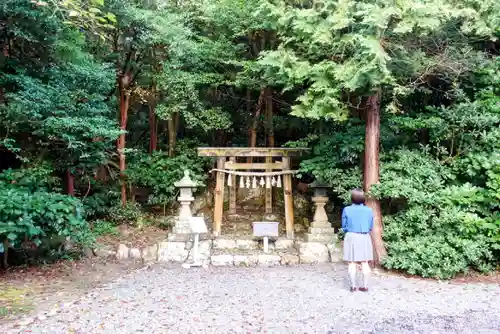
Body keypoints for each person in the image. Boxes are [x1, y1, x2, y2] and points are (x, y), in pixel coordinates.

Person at [341, 189, 374, 292]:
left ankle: (353, 286)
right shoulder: (369, 210)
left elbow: (344, 225)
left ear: (352, 198)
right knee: (365, 262)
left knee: (351, 262)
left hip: (351, 236)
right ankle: (365, 286)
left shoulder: (347, 209)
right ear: (363, 198)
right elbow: (370, 226)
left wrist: (349, 230)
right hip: (364, 236)